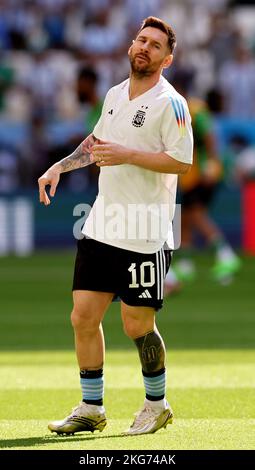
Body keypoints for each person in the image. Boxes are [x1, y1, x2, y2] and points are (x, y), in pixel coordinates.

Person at [38, 16, 193, 436]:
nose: (145, 47)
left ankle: (157, 404)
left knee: (136, 325)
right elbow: (96, 143)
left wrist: (128, 154)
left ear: (167, 58)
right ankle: (91, 407)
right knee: (83, 316)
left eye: (155, 44)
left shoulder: (171, 103)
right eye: (141, 40)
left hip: (145, 228)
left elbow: (181, 161)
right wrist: (60, 167)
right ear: (131, 46)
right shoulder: (114, 94)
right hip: (103, 223)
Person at [164, 87, 241, 293]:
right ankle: (186, 264)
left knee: (196, 214)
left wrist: (212, 165)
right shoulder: (173, 109)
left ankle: (225, 253)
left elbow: (209, 137)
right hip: (189, 175)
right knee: (186, 217)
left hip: (202, 172)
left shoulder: (194, 109)